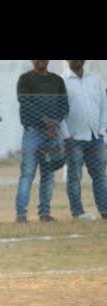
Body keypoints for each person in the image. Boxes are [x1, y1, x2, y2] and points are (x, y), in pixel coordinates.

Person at [15, 60, 69, 223]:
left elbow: (64, 105)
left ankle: (44, 213)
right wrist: (45, 120)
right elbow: (25, 104)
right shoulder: (25, 79)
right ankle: (21, 214)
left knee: (48, 174)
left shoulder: (57, 80)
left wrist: (55, 123)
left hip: (52, 135)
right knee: (27, 174)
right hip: (32, 132)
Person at [61, 60, 107, 221]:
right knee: (74, 177)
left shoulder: (95, 80)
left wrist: (101, 131)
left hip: (95, 137)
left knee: (100, 176)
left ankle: (105, 210)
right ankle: (78, 212)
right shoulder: (62, 82)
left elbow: (104, 106)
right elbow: (59, 110)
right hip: (74, 139)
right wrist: (67, 136)